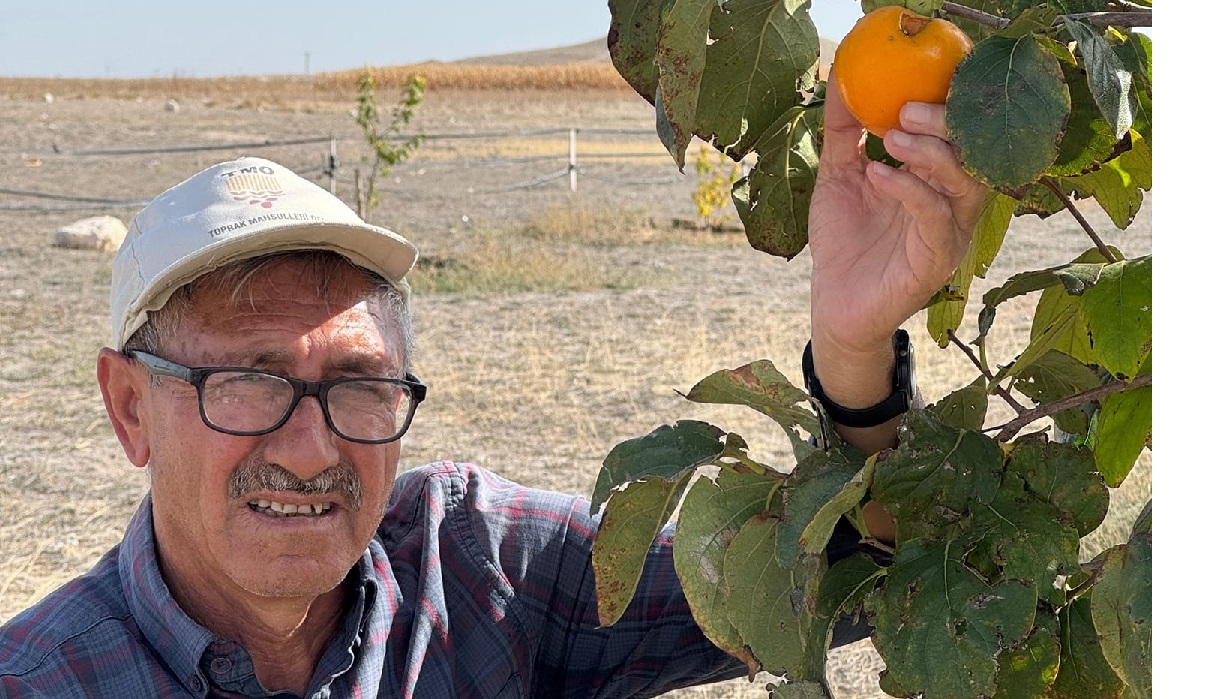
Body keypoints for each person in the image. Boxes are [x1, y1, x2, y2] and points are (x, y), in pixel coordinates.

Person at [0, 75, 984, 698]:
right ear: (129, 409)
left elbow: (842, 584)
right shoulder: (43, 679)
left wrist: (851, 348)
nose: (310, 452)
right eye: (248, 382)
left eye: (359, 384)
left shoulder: (477, 572)